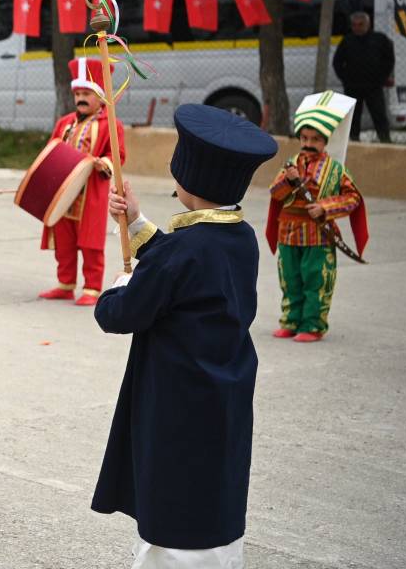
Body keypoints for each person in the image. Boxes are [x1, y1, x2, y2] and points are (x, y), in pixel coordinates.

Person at [92, 103, 278, 569]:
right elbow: (182, 265)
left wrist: (117, 286)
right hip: (222, 395)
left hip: (177, 402)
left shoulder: (182, 254)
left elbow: (120, 312)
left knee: (175, 506)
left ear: (187, 181)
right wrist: (136, 221)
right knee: (212, 491)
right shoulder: (238, 238)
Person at [265, 90, 368, 342]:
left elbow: (353, 198)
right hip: (288, 233)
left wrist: (325, 207)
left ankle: (312, 325)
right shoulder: (290, 164)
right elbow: (275, 194)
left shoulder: (335, 169)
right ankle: (290, 320)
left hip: (318, 236)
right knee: (290, 280)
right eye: (304, 137)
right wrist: (289, 182)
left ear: (325, 141)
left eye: (315, 139)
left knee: (316, 281)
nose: (309, 143)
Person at [38, 57, 125, 306]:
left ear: (99, 96)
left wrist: (103, 164)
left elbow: (117, 155)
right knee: (63, 240)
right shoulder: (64, 123)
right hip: (63, 192)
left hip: (90, 193)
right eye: (77, 93)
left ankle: (91, 288)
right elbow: (52, 149)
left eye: (86, 93)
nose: (80, 98)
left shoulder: (111, 124)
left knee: (90, 242)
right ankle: (65, 284)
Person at [332, 11, 394, 143]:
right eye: (354, 25)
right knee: (353, 117)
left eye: (360, 24)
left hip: (374, 86)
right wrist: (345, 79)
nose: (357, 28)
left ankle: (385, 140)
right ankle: (354, 141)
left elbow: (389, 60)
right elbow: (337, 62)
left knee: (379, 115)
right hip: (353, 87)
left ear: (368, 24)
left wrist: (382, 78)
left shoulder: (379, 39)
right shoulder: (347, 41)